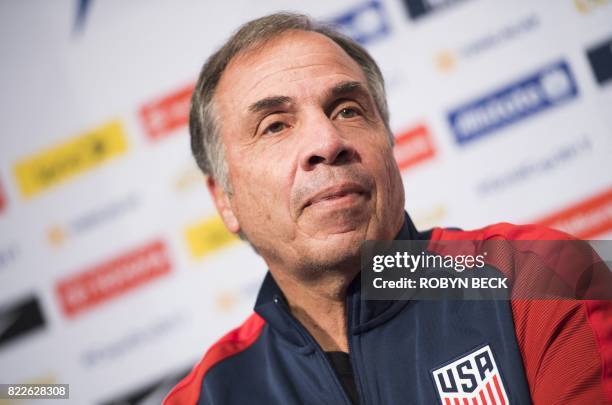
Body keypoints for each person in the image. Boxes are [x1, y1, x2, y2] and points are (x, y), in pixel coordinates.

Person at [164, 12, 612, 404]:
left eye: (347, 111)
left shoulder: (538, 277)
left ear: (390, 143)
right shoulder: (206, 396)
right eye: (275, 125)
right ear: (225, 199)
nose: (327, 142)